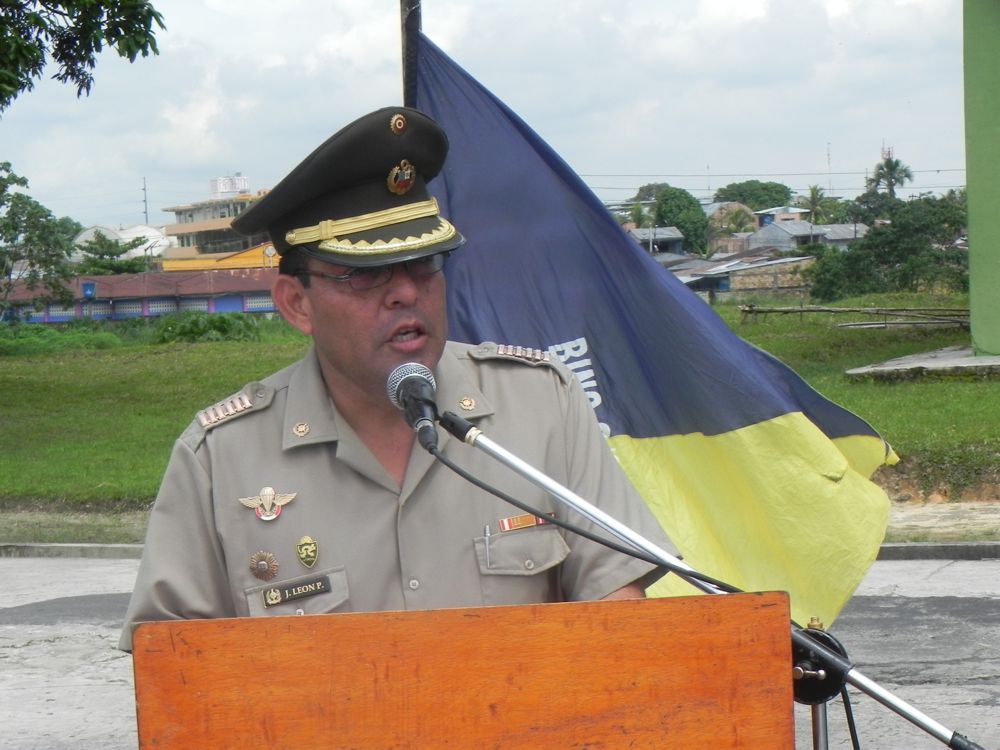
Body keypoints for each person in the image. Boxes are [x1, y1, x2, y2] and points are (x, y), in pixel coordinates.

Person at [119, 106, 677, 651]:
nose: (406, 292)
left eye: (424, 263)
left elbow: (618, 617)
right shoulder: (220, 457)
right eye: (366, 274)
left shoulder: (542, 403)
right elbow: (175, 666)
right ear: (297, 304)